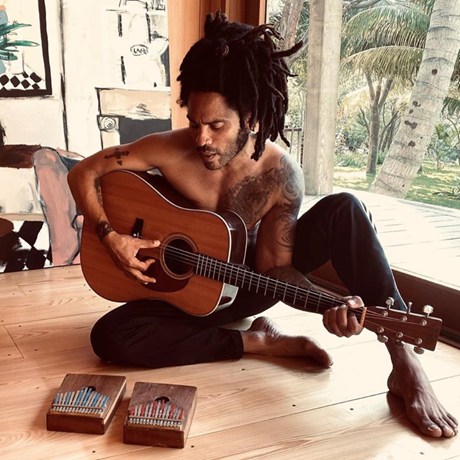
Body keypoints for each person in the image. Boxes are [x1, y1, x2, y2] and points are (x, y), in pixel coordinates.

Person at [68, 12, 457, 438]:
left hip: (246, 283)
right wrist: (111, 237)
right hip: (185, 290)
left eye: (216, 125)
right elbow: (83, 172)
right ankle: (257, 342)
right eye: (195, 122)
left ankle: (405, 362)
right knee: (111, 337)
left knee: (347, 209)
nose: (201, 139)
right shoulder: (168, 148)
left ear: (250, 117)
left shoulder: (279, 175)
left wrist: (329, 304)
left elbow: (276, 269)